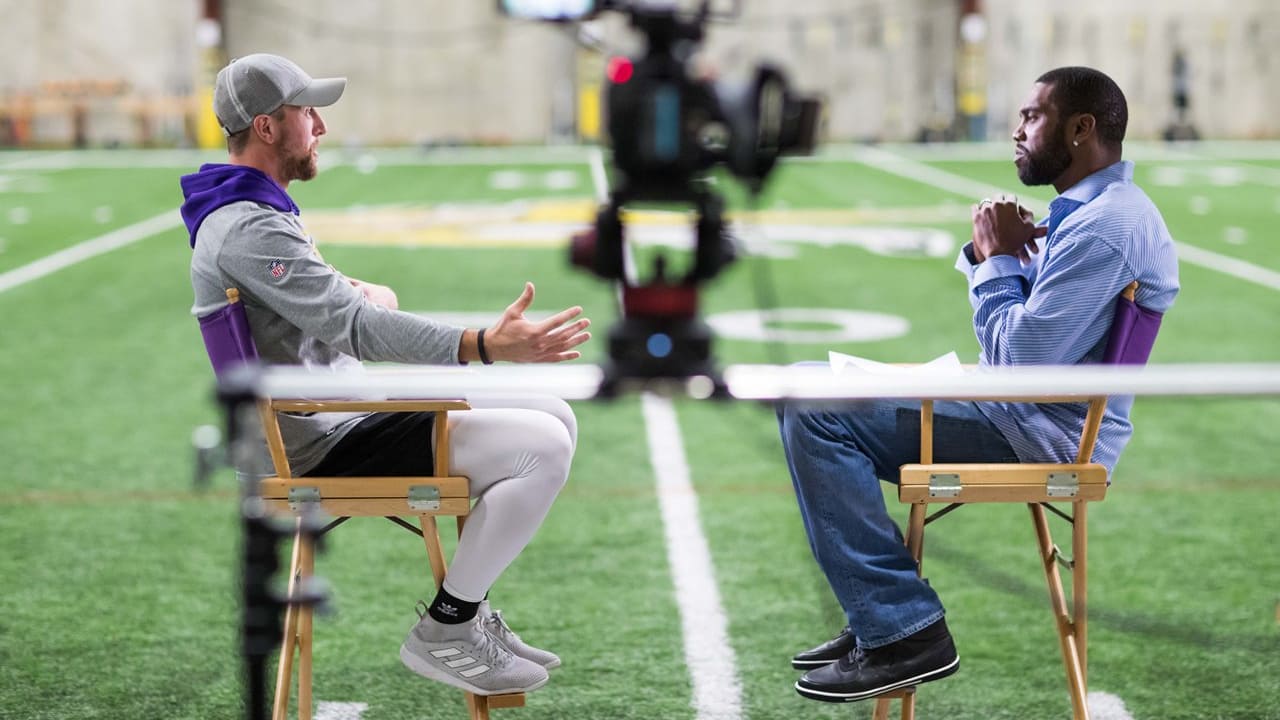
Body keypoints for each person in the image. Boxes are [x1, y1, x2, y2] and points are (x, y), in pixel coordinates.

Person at [180, 54, 592, 697]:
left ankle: (469, 610)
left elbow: (353, 308)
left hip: (335, 408)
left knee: (555, 413)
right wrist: (485, 344)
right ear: (266, 127)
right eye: (305, 111)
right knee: (542, 450)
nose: (319, 123)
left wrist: (357, 301)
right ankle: (449, 628)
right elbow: (362, 328)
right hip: (315, 444)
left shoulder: (251, 211)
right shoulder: (247, 227)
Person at [777, 66, 1180, 703]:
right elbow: (1018, 353)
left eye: (1032, 117)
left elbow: (1017, 365)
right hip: (1020, 411)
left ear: (1081, 129)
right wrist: (1000, 261)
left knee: (813, 408)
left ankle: (904, 630)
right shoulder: (1090, 211)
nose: (1017, 131)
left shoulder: (1108, 226)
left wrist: (995, 260)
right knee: (799, 382)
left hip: (1042, 436)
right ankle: (878, 618)